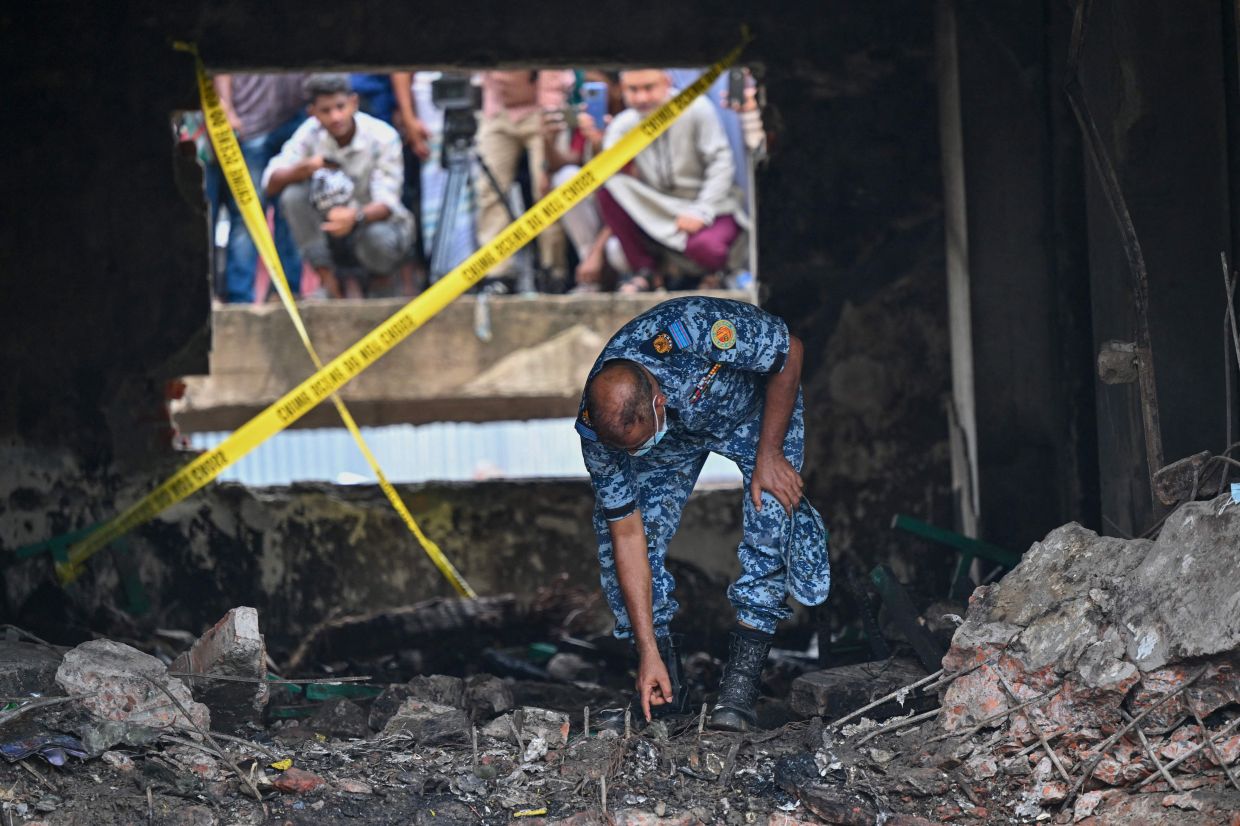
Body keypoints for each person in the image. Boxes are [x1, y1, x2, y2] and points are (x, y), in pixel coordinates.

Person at [576, 296, 830, 732]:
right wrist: (646, 649)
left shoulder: (693, 330)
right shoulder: (601, 432)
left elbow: (790, 352)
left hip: (750, 411)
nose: (630, 457)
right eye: (625, 450)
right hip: (673, 439)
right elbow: (628, 536)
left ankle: (740, 690)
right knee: (614, 541)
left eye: (636, 445)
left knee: (772, 512)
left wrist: (769, 453)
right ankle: (665, 682)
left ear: (658, 400)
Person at [263, 74, 414, 298]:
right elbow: (270, 183)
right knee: (293, 195)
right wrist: (302, 169)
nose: (335, 117)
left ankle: (380, 284)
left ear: (353, 103)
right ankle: (329, 284)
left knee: (378, 239)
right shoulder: (309, 134)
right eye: (326, 111)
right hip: (331, 233)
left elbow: (388, 203)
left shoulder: (382, 136)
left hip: (378, 229)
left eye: (340, 107)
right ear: (312, 112)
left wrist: (355, 216)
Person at [599, 70, 748, 292]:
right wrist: (596, 141)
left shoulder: (696, 108)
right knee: (608, 188)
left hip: (711, 207)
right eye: (633, 90)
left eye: (649, 88)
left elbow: (721, 163)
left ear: (667, 82)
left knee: (708, 249)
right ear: (622, 89)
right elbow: (609, 171)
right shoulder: (624, 123)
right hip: (660, 209)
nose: (641, 98)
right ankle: (647, 272)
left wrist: (702, 210)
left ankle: (714, 275)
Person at [211, 73, 307, 303]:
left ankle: (285, 292)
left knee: (290, 208)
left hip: (291, 122)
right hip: (249, 125)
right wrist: (227, 109)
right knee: (247, 215)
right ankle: (240, 296)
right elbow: (223, 67)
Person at [475, 70, 574, 290]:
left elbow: (551, 71)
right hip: (497, 108)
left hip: (543, 105)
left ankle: (553, 271)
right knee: (489, 192)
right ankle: (497, 274)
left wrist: (550, 125)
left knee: (547, 191)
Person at [541, 71, 627, 292]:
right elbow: (570, 163)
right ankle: (590, 276)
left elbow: (625, 196)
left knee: (616, 250)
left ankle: (626, 277)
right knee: (566, 178)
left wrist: (597, 253)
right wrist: (547, 140)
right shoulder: (586, 120)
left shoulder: (630, 122)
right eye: (584, 86)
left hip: (627, 224)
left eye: (596, 87)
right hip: (599, 216)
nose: (587, 93)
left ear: (617, 88)